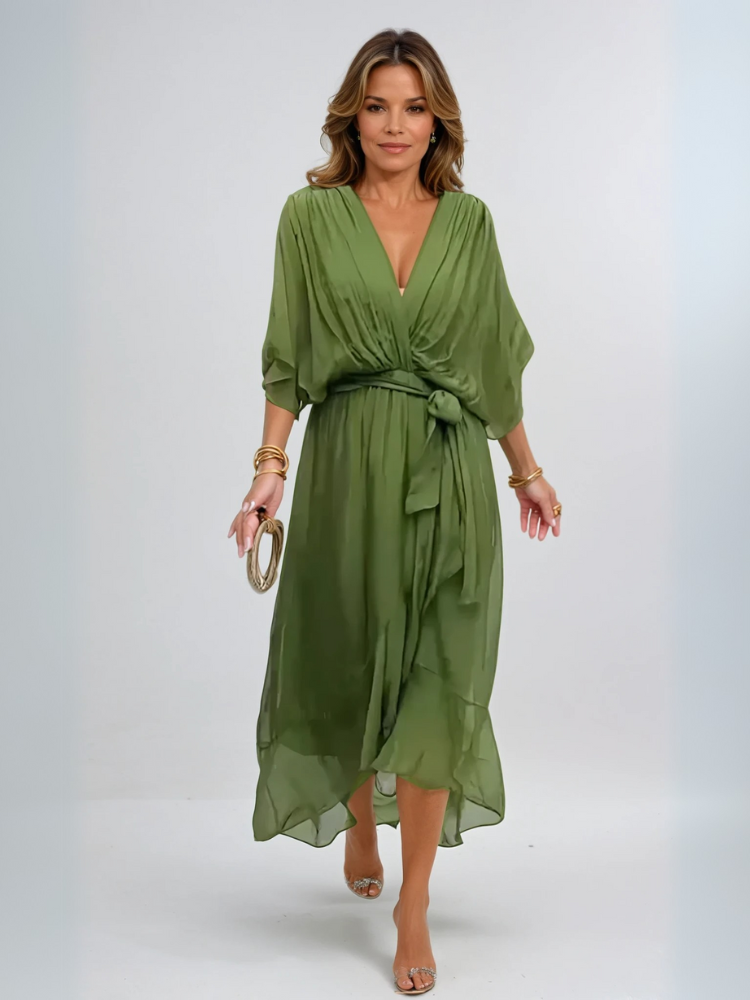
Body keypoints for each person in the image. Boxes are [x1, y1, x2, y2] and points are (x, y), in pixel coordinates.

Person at [227, 27, 562, 995]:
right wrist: (269, 468)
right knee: (346, 659)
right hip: (348, 471)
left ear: (438, 121)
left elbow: (493, 363)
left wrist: (526, 471)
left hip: (451, 478)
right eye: (377, 106)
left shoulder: (471, 223)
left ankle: (413, 900)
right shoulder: (309, 217)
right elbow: (288, 355)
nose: (395, 125)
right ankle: (358, 821)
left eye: (414, 107)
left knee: (437, 679)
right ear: (352, 115)